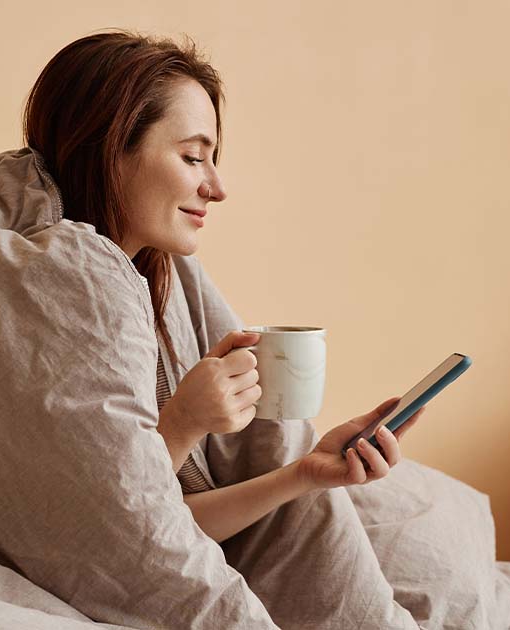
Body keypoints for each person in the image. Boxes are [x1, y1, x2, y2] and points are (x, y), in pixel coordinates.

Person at [23, 29, 425, 544]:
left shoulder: (157, 280)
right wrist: (181, 425)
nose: (217, 188)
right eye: (193, 157)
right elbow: (93, 542)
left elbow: (171, 531)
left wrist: (305, 473)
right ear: (108, 150)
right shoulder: (43, 297)